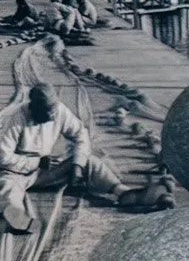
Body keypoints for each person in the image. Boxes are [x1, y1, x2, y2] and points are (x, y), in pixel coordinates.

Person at [0, 84, 125, 234]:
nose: (52, 115)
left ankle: (121, 192)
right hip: (13, 172)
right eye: (47, 111)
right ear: (33, 107)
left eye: (53, 109)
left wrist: (77, 165)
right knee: (8, 188)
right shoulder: (12, 118)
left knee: (90, 162)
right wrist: (36, 162)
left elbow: (80, 134)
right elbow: (3, 157)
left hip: (44, 169)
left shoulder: (58, 110)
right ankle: (17, 216)